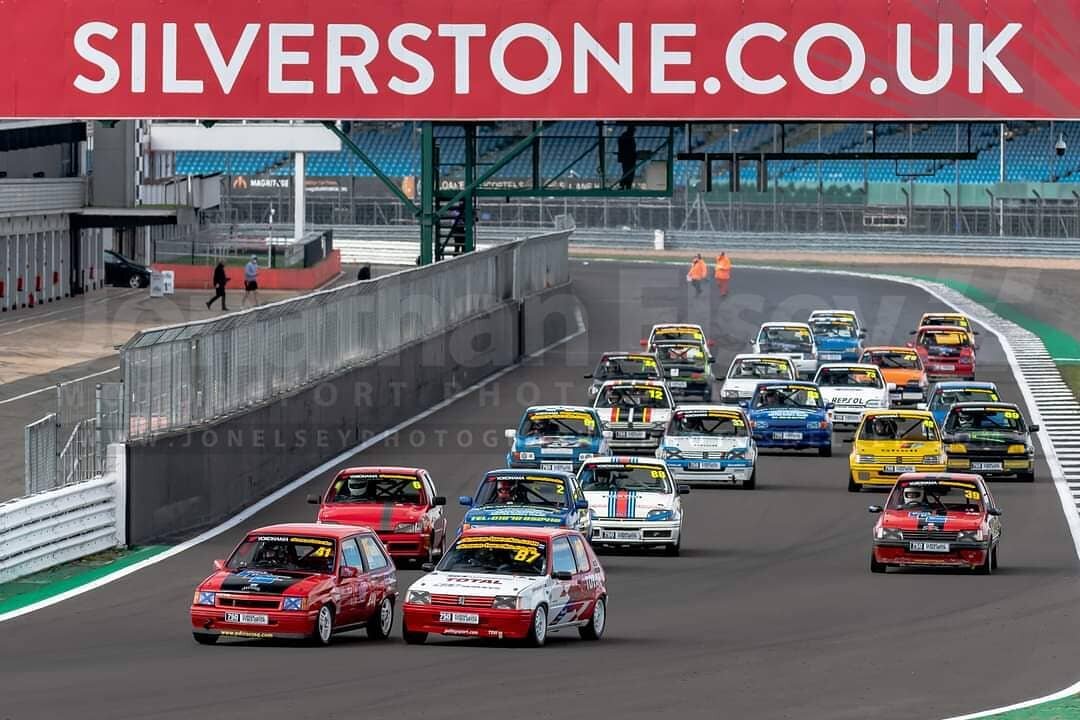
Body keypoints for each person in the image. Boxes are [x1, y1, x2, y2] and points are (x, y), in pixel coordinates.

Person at [617, 125, 637, 190]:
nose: (634, 132)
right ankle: (626, 185)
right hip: (629, 157)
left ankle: (624, 185)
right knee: (629, 172)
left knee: (627, 171)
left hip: (626, 157)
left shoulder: (624, 136)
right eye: (634, 131)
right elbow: (630, 148)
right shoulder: (628, 137)